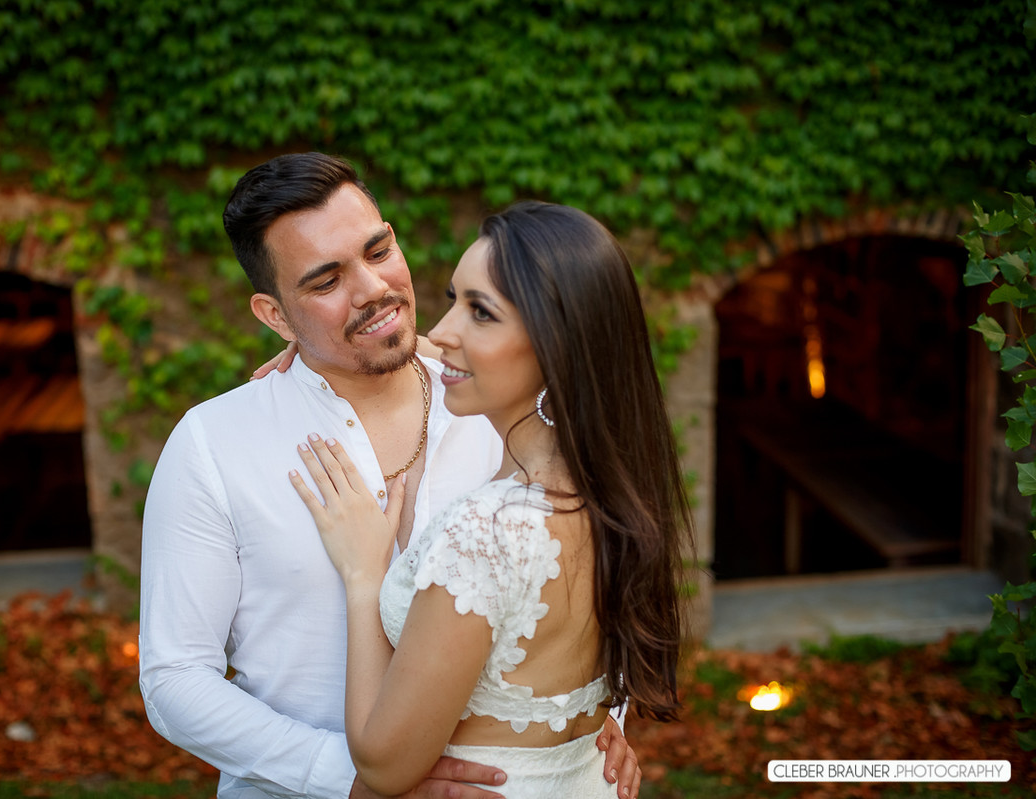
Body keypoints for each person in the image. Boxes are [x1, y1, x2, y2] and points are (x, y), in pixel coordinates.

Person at [138, 153, 641, 799]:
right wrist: (350, 778)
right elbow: (176, 677)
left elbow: (584, 575)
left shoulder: (495, 401)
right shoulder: (214, 443)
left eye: (378, 250)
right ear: (275, 316)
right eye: (326, 282)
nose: (373, 287)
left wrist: (595, 724)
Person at [289, 201, 692, 797]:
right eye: (454, 299)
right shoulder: (613, 489)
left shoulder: (488, 531)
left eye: (480, 312)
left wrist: (364, 576)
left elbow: (381, 764)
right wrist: (310, 347)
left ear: (558, 343)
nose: (444, 331)